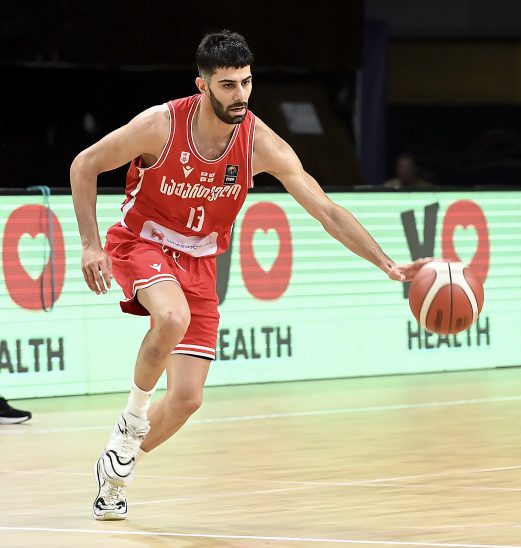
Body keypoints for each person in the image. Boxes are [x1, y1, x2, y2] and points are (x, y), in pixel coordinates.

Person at [70, 30, 430, 521]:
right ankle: (131, 421)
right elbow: (85, 164)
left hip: (199, 261)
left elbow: (326, 210)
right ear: (202, 86)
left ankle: (117, 466)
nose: (240, 94)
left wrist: (386, 263)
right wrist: (90, 244)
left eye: (246, 82)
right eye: (227, 85)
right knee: (171, 317)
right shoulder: (161, 125)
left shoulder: (260, 143)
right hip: (142, 242)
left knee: (186, 399)